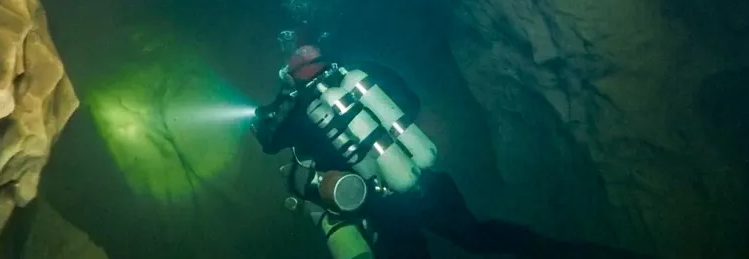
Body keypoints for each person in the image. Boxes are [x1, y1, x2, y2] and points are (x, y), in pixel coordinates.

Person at [252, 45, 648, 259]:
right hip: (424, 181)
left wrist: (279, 102)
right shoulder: (362, 73)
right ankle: (576, 254)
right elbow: (410, 102)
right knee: (479, 237)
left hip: (378, 206)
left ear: (293, 75)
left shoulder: (298, 111)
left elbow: (268, 140)